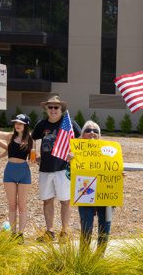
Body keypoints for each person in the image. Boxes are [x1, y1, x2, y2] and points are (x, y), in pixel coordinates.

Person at [31, 95, 81, 242]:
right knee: (47, 200)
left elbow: (81, 139)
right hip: (45, 169)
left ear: (61, 109)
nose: (53, 110)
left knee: (65, 201)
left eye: (56, 107)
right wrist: (35, 154)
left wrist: (74, 152)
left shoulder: (69, 123)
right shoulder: (41, 124)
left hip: (62, 169)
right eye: (50, 107)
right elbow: (32, 138)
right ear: (46, 109)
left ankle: (64, 232)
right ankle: (50, 231)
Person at [0, 105, 33, 241]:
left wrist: (35, 160)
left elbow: (35, 156)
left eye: (21, 123)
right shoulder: (9, 136)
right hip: (10, 170)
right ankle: (13, 234)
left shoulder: (31, 139)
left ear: (26, 125)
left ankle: (21, 234)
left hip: (24, 171)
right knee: (12, 204)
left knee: (22, 205)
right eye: (16, 123)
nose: (18, 125)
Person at [75, 121, 113, 252]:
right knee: (86, 227)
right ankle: (84, 258)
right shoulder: (75, 153)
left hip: (106, 193)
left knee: (105, 227)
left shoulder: (109, 151)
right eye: (88, 130)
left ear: (99, 135)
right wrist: (70, 163)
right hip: (85, 194)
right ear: (82, 134)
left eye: (95, 131)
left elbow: (114, 168)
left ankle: (100, 257)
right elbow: (69, 176)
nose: (92, 133)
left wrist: (119, 174)